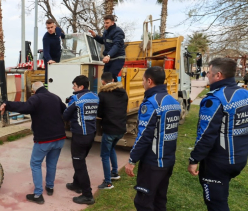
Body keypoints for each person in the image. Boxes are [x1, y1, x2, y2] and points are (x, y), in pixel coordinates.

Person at [188, 58, 248, 211]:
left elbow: (206, 134)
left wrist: (194, 159)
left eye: (209, 72)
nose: (207, 75)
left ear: (218, 75)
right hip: (239, 158)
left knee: (216, 204)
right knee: (221, 196)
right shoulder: (244, 93)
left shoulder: (215, 98)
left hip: (218, 162)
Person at [0, 82, 66, 205]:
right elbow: (65, 111)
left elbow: (24, 107)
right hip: (60, 138)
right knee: (52, 163)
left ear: (34, 91)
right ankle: (50, 187)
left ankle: (38, 194)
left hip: (45, 139)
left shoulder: (36, 98)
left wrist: (7, 104)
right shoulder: (55, 97)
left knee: (35, 164)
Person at [125, 66, 181, 211]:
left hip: (153, 161)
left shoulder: (151, 103)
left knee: (143, 203)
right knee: (159, 200)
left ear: (149, 81)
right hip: (168, 160)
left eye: (143, 80)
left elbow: (144, 135)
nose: (143, 83)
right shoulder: (173, 101)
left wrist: (132, 160)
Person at [63, 75, 99, 205]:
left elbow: (65, 115)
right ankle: (76, 184)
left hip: (80, 135)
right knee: (81, 160)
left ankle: (87, 195)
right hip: (91, 134)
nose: (73, 87)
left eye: (74, 85)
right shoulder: (95, 97)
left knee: (79, 165)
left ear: (81, 87)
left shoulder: (76, 98)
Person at [97, 72, 128, 189]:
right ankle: (115, 172)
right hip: (121, 128)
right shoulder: (123, 92)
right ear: (113, 80)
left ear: (103, 82)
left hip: (109, 128)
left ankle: (108, 182)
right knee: (111, 149)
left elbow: (99, 113)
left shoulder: (103, 94)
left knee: (104, 155)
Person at [89, 15, 125, 82]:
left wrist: (108, 55)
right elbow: (103, 41)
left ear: (112, 22)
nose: (105, 25)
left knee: (111, 76)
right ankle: (111, 90)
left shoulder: (118, 32)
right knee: (105, 77)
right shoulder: (106, 32)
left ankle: (116, 91)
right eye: (104, 23)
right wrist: (95, 36)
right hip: (109, 59)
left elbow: (116, 45)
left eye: (107, 23)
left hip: (118, 58)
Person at [42, 19, 65, 85]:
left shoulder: (58, 30)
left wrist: (64, 37)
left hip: (58, 56)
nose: (50, 29)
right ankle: (47, 88)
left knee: (60, 74)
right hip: (50, 58)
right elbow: (46, 51)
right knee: (49, 75)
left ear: (55, 26)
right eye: (48, 28)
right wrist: (49, 59)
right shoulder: (46, 38)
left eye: (51, 27)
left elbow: (61, 35)